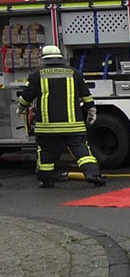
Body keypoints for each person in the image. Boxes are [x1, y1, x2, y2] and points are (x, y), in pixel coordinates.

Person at [17, 45, 105, 188]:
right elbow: (86, 96)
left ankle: (46, 180)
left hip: (47, 128)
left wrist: (20, 108)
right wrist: (91, 111)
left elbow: (26, 97)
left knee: (46, 154)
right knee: (82, 151)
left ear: (43, 59)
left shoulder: (36, 75)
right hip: (73, 126)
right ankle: (92, 175)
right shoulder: (75, 73)